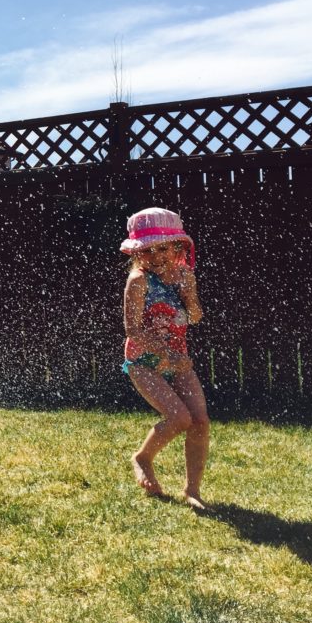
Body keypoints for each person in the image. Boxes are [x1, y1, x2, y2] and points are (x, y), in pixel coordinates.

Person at [119, 207, 208, 508]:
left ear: (178, 247)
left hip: (177, 358)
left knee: (200, 421)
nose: (157, 255)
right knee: (179, 417)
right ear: (137, 252)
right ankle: (142, 458)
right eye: (148, 249)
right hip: (144, 361)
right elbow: (132, 330)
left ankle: (192, 491)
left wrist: (189, 296)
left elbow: (194, 316)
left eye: (164, 248)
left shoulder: (184, 275)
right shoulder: (139, 281)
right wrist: (167, 354)